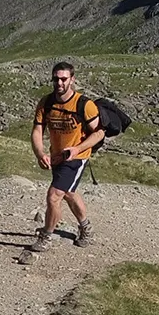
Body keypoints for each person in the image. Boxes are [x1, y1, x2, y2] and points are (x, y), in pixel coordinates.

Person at [30, 61, 104, 251]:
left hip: (76, 158)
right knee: (69, 193)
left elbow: (99, 133)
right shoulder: (46, 102)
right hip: (57, 157)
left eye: (64, 79)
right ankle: (86, 228)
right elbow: (37, 130)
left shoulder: (84, 104)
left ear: (72, 79)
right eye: (56, 79)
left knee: (54, 196)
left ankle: (46, 236)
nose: (60, 83)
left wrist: (77, 149)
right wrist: (40, 153)